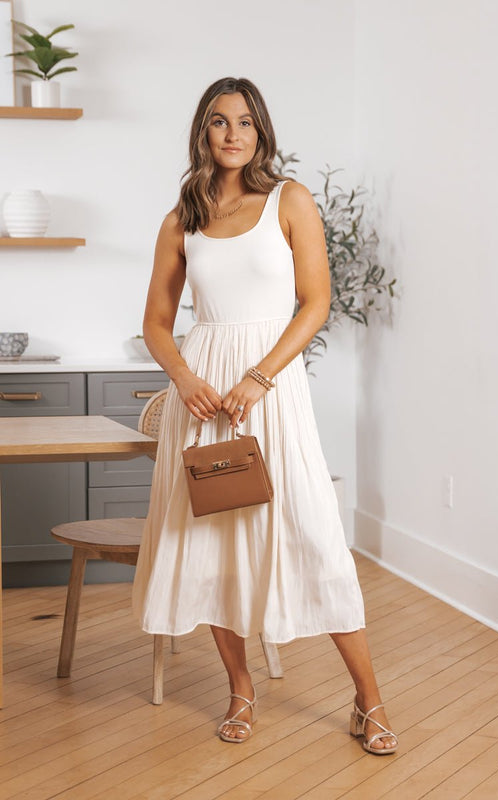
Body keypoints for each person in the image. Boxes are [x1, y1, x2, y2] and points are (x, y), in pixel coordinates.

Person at [132, 76, 398, 755]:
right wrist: (185, 379)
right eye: (219, 122)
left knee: (311, 530)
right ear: (202, 131)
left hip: (269, 391)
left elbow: (314, 302)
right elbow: (158, 323)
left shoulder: (290, 199)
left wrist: (258, 377)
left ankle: (368, 700)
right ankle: (240, 690)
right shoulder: (180, 218)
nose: (231, 134)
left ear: (260, 132)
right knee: (214, 542)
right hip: (203, 396)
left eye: (244, 123)